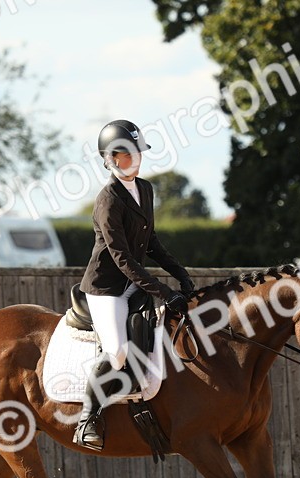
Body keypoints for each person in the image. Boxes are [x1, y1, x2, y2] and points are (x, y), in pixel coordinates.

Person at [73, 119, 194, 450]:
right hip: (106, 288)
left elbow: (151, 242)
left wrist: (179, 273)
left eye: (137, 154)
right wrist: (164, 292)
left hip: (134, 283)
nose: (134, 161)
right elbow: (123, 259)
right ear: (110, 159)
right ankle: (87, 419)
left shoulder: (145, 189)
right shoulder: (107, 200)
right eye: (126, 156)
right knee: (117, 352)